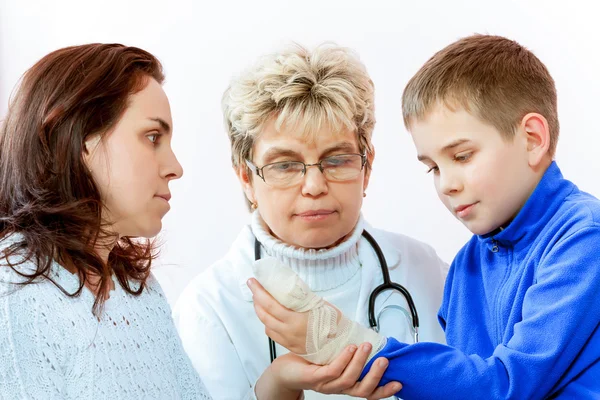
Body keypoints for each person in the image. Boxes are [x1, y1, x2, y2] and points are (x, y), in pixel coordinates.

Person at [248, 34, 600, 399]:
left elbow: (504, 388)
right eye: (432, 167)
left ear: (531, 138)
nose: (446, 184)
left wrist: (344, 342)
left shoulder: (584, 238)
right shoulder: (468, 265)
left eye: (462, 156)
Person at [173, 42, 448, 400]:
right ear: (245, 177)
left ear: (367, 166)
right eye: (285, 165)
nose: (315, 186)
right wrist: (277, 388)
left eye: (336, 160)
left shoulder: (427, 272)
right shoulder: (208, 308)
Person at [0, 43, 211, 399]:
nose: (175, 167)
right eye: (153, 137)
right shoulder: (16, 291)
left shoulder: (138, 290)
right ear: (82, 140)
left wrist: (278, 387)